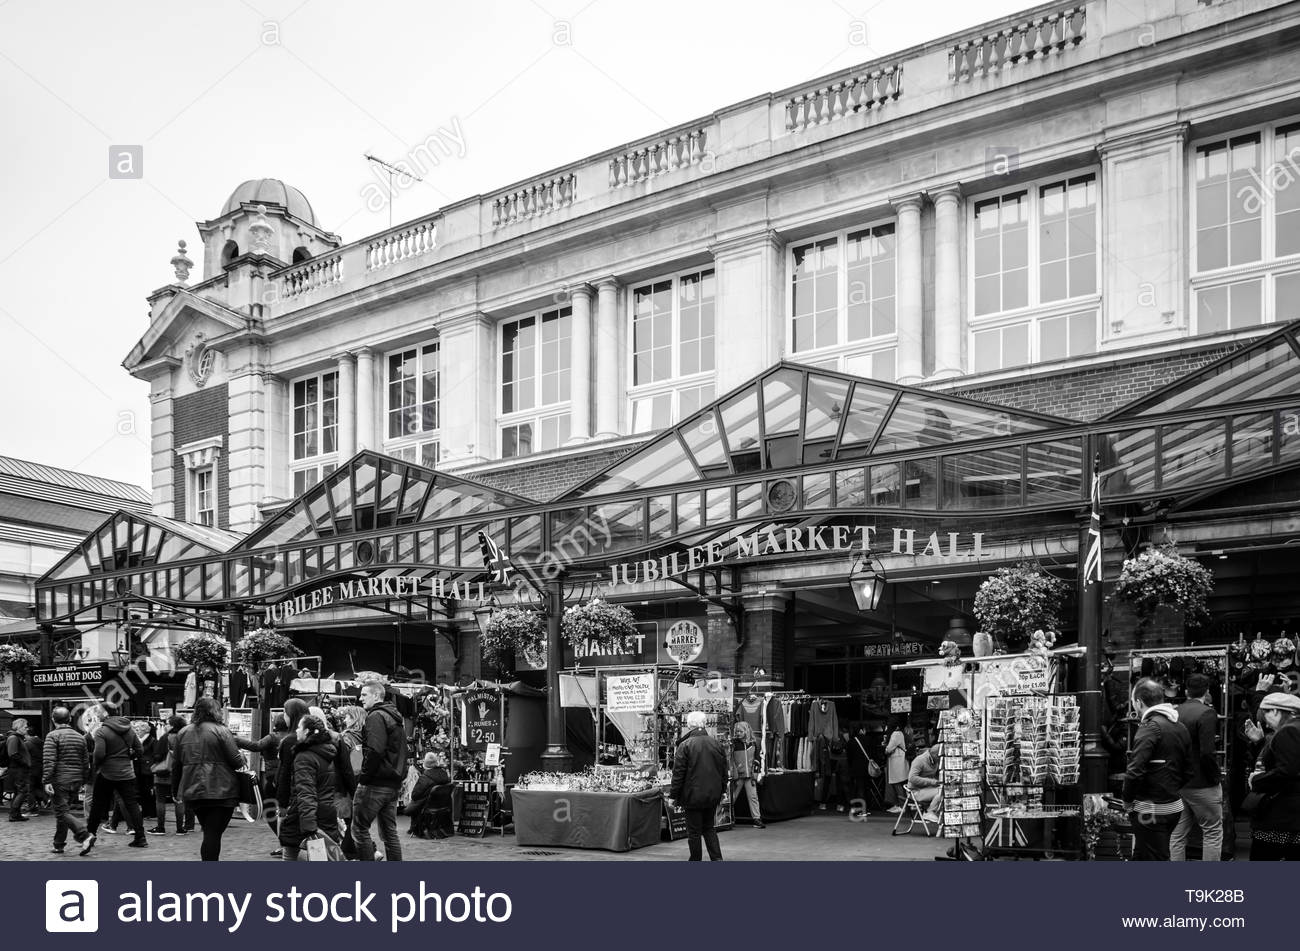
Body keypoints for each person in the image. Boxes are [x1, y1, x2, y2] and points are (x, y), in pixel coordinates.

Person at [1123, 678, 1192, 862]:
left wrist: (1127, 800)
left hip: (1151, 810)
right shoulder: (1180, 726)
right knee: (1143, 854)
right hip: (1173, 807)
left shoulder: (1150, 727)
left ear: (1138, 702)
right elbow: (1189, 770)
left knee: (1154, 857)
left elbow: (1135, 770)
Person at [175, 697, 244, 861]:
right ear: (215, 711)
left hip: (193, 790)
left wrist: (175, 789)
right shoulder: (221, 730)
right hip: (221, 790)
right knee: (213, 833)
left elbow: (176, 764)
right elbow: (236, 762)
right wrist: (241, 756)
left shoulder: (183, 732)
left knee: (210, 831)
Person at [80, 703, 148, 854]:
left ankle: (90, 835)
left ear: (105, 713)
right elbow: (140, 750)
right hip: (126, 773)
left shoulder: (101, 731)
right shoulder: (129, 729)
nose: (97, 715)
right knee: (132, 805)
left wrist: (98, 766)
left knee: (97, 806)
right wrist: (127, 756)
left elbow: (99, 754)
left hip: (107, 773)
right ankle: (141, 837)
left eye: (98, 712)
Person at [1170, 673, 1223, 861]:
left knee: (1177, 834)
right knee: (1212, 832)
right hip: (1202, 782)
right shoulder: (1206, 712)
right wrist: (1216, 777)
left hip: (1178, 782)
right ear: (1207, 691)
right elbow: (1207, 752)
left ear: (1186, 691)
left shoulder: (1175, 712)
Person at [353, 681, 407, 862]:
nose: (360, 698)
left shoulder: (376, 716)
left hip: (376, 782)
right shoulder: (396, 717)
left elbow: (375, 750)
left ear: (376, 696)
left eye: (364, 694)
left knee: (360, 829)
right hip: (392, 782)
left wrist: (364, 777)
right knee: (389, 832)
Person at [1244, 692, 1300, 860]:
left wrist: (1257, 780)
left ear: (1276, 711)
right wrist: (1260, 743)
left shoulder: (1288, 731)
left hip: (1282, 815)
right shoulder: (1294, 728)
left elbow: (1287, 771)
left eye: (1266, 714)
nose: (1265, 722)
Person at [279, 714, 343, 861]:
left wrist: (309, 826)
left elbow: (306, 792)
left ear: (307, 731)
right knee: (319, 858)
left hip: (307, 816)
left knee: (296, 855)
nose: (296, 731)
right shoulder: (327, 752)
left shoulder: (305, 757)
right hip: (326, 811)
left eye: (299, 727)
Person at [670, 710, 726, 861]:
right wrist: (724, 790)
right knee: (709, 828)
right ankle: (717, 859)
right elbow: (723, 770)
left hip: (692, 795)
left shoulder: (685, 745)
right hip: (712, 793)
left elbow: (678, 774)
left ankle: (695, 860)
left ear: (689, 725)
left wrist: (672, 795)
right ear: (704, 724)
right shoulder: (716, 744)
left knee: (694, 831)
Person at [41, 706, 90, 854]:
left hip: (60, 780)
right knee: (64, 811)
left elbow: (49, 760)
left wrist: (46, 780)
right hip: (75, 779)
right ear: (69, 719)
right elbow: (85, 761)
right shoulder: (80, 736)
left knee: (61, 812)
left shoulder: (52, 736)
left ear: (53, 719)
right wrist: (83, 779)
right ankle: (59, 844)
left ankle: (84, 834)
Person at [148, 716, 187, 835]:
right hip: (180, 773)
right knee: (179, 800)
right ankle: (180, 828)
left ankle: (160, 827)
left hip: (164, 773)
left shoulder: (166, 737)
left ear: (173, 725)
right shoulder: (185, 737)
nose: (165, 726)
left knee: (160, 800)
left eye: (168, 724)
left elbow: (157, 756)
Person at [405, 752, 454, 839]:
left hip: (428, 807)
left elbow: (415, 795)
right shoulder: (444, 774)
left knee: (415, 804)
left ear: (425, 765)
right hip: (443, 805)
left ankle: (415, 828)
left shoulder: (425, 778)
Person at [729, 721, 764, 828]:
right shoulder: (734, 744)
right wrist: (734, 771)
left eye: (740, 731)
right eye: (737, 731)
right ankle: (728, 817)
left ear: (746, 731)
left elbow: (757, 758)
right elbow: (731, 759)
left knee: (753, 797)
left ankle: (757, 819)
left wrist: (756, 772)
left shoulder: (753, 743)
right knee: (732, 797)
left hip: (750, 775)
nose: (738, 733)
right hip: (738, 775)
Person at [907, 743, 944, 823]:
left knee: (944, 790)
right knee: (941, 792)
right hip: (915, 791)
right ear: (935, 755)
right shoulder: (919, 760)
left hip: (926, 789)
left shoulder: (935, 761)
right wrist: (931, 782)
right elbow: (912, 778)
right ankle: (929, 812)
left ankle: (934, 812)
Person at [5, 718, 34, 821]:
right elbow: (13, 754)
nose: (27, 729)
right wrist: (25, 762)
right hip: (18, 769)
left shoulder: (18, 738)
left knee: (20, 792)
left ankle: (16, 814)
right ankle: (13, 814)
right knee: (22, 791)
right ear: (19, 727)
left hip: (19, 769)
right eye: (25, 727)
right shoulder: (14, 738)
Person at [884, 719, 910, 813]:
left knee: (897, 783)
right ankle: (900, 804)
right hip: (900, 761)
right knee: (900, 783)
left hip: (897, 762)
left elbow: (889, 749)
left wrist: (886, 749)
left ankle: (902, 806)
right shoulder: (902, 733)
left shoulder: (896, 734)